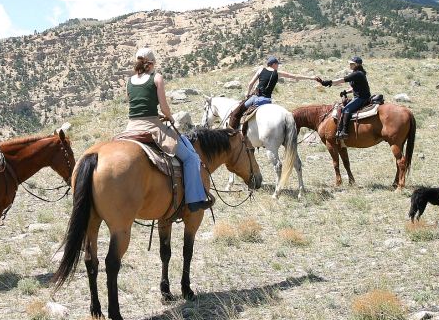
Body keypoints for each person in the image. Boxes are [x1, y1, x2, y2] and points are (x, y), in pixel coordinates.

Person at [126, 48, 213, 212]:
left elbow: (135, 105)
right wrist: (169, 117)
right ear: (151, 64)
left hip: (131, 128)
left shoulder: (129, 81)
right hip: (152, 127)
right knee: (191, 158)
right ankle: (194, 201)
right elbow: (165, 107)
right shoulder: (156, 78)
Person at [228, 55, 317, 129]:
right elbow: (294, 76)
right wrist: (311, 78)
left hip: (255, 98)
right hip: (267, 100)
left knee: (237, 111)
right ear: (273, 64)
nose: (278, 66)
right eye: (277, 64)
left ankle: (232, 131)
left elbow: (250, 83)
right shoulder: (278, 73)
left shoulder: (260, 70)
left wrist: (248, 94)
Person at [316, 56, 372, 139]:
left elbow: (343, 80)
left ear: (357, 64)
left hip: (361, 98)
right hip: (360, 96)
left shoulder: (357, 74)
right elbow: (356, 87)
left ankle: (344, 132)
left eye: (352, 63)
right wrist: (346, 92)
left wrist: (328, 82)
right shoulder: (358, 73)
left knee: (346, 109)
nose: (350, 64)